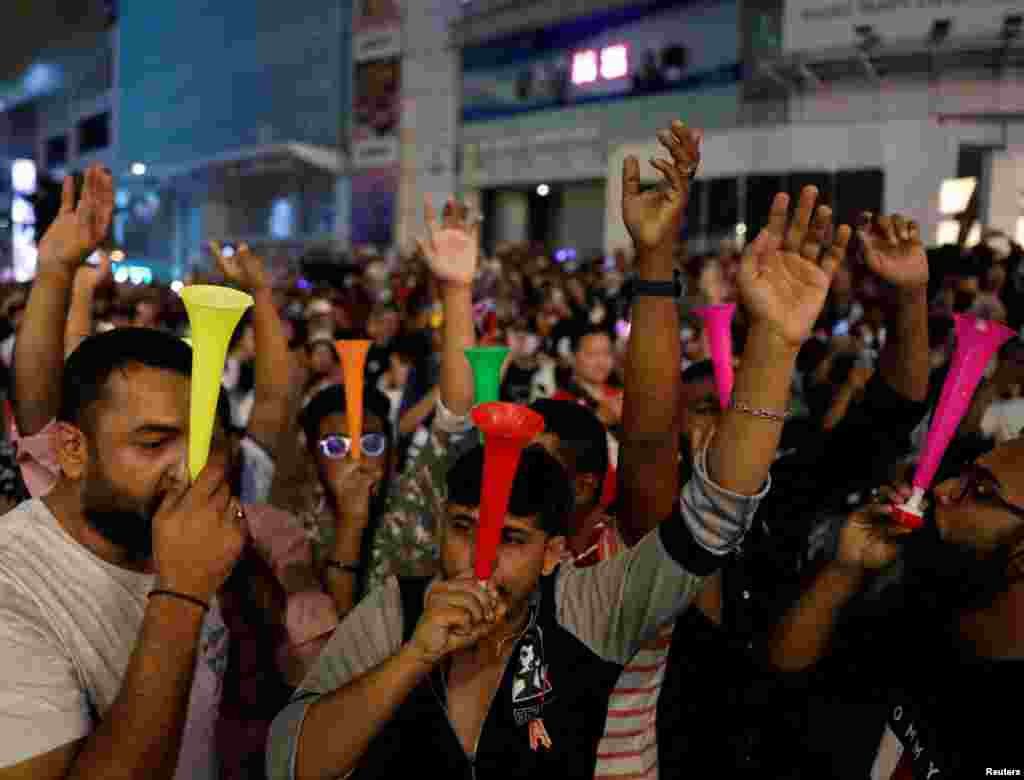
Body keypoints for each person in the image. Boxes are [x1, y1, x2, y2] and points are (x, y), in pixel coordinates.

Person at [264, 115, 829, 780]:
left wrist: (772, 347)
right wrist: (414, 656)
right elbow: (289, 764)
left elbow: (713, 511)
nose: (477, 560)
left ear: (557, 554)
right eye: (464, 527)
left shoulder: (590, 607)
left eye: (511, 538)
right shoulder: (396, 612)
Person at [0, 327, 246, 778]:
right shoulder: (12, 588)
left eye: (207, 446)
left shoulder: (178, 535)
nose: (187, 472)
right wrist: (181, 594)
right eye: (154, 444)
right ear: (73, 449)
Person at [767, 437, 1024, 777]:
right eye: (963, 475)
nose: (943, 489)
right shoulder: (925, 602)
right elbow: (784, 695)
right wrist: (845, 571)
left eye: (980, 490)